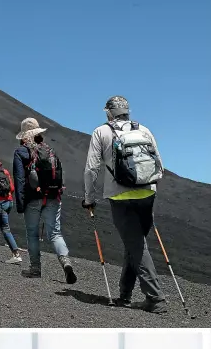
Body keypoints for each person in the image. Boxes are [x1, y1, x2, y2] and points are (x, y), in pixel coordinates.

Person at [83, 96, 166, 313]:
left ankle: (155, 298)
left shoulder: (101, 132)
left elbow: (92, 169)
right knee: (135, 243)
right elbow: (160, 165)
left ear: (108, 113)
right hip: (147, 192)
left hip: (121, 197)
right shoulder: (144, 130)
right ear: (127, 111)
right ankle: (125, 294)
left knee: (137, 246)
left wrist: (89, 198)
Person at [13, 117, 77, 284]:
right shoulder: (50, 151)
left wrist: (20, 203)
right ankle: (66, 263)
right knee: (55, 233)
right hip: (53, 197)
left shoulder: (21, 152)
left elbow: (19, 179)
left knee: (32, 234)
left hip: (33, 199)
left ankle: (35, 269)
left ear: (24, 136)